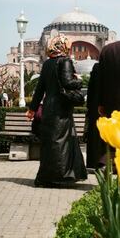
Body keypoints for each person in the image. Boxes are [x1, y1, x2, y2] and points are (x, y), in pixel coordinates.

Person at [26, 34, 87, 187]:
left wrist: (32, 109)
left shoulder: (47, 64)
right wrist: (79, 80)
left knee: (50, 143)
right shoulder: (65, 61)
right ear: (63, 46)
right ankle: (62, 177)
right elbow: (67, 81)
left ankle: (46, 177)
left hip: (48, 107)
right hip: (61, 108)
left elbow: (40, 89)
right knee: (62, 142)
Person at [85, 63, 106, 170]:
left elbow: (90, 91)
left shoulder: (96, 69)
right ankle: (103, 162)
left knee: (94, 137)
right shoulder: (110, 70)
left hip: (94, 109)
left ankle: (92, 162)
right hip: (105, 109)